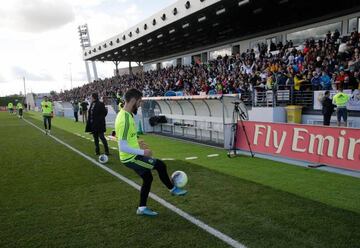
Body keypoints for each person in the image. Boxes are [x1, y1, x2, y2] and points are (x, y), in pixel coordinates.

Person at [115, 88, 187, 217]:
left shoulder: (126, 114)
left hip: (133, 154)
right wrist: (143, 152)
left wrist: (137, 141)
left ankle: (142, 208)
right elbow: (122, 146)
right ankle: (172, 188)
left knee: (147, 178)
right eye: (139, 101)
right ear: (132, 100)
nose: (140, 104)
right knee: (160, 165)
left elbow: (127, 137)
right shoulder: (124, 119)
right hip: (131, 158)